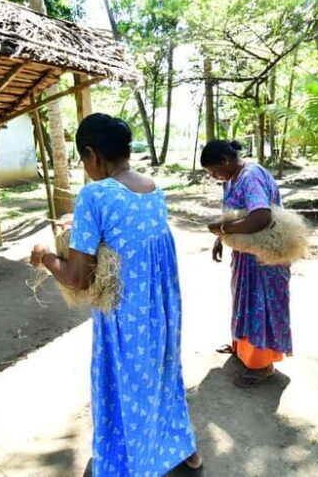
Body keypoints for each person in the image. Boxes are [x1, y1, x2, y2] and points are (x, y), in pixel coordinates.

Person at [30, 113, 201, 476]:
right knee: (163, 377)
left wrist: (45, 256)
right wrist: (78, 226)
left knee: (127, 386)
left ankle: (135, 463)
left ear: (91, 154)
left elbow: (78, 278)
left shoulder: (94, 195)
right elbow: (127, 231)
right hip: (163, 311)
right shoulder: (152, 188)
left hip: (126, 316)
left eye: (82, 159)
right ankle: (182, 447)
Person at [201, 140, 292, 388]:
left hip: (265, 257)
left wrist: (222, 229)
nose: (214, 177)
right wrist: (222, 238)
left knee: (260, 307)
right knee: (244, 302)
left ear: (225, 161)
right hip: (246, 256)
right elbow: (235, 216)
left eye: (214, 171)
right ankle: (242, 348)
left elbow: (261, 217)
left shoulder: (251, 176)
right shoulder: (232, 179)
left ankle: (261, 365)